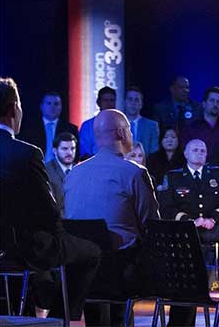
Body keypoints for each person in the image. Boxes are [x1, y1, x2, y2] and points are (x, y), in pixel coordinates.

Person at [0, 77, 100, 320]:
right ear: (14, 109)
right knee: (91, 252)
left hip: (3, 249)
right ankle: (58, 319)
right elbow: (50, 212)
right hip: (25, 249)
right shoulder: (27, 153)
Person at [65, 109, 160, 326]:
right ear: (120, 132)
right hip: (122, 274)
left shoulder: (74, 174)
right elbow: (152, 225)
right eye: (129, 129)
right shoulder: (134, 173)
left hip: (80, 274)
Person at [159, 138, 219, 325]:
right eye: (195, 150)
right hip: (188, 229)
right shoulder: (173, 176)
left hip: (214, 226)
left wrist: (214, 219)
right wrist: (190, 221)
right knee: (177, 235)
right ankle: (188, 284)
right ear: (186, 154)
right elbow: (167, 207)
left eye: (203, 150)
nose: (200, 153)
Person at [180, 86, 219, 183]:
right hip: (197, 180)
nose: (215, 104)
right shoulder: (191, 128)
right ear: (203, 104)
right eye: (212, 100)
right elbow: (185, 154)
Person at [18, 91, 79, 162]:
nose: (52, 107)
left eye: (56, 104)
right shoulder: (29, 128)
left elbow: (76, 155)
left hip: (62, 170)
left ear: (61, 107)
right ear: (41, 106)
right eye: (49, 103)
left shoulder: (71, 129)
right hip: (36, 168)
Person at [78, 86, 117, 159]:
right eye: (105, 100)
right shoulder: (87, 126)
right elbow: (84, 154)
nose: (109, 104)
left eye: (112, 100)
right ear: (98, 102)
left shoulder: (122, 125)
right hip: (93, 167)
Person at [45, 132, 77, 216]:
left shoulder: (80, 169)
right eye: (65, 149)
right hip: (58, 222)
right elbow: (50, 206)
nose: (70, 153)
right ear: (55, 151)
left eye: (73, 148)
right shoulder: (46, 171)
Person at [124, 86, 159, 154]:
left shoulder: (152, 126)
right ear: (125, 102)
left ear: (141, 104)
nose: (133, 103)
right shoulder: (116, 125)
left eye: (136, 100)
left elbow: (154, 153)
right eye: (130, 99)